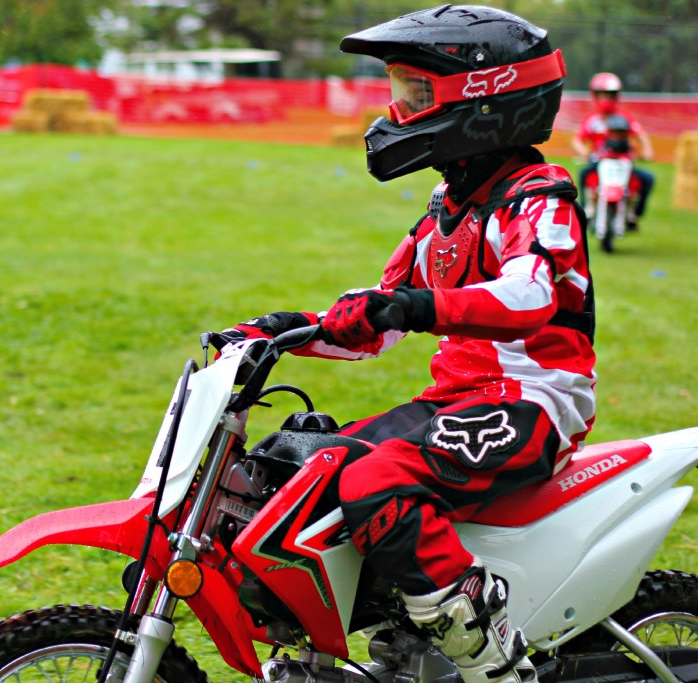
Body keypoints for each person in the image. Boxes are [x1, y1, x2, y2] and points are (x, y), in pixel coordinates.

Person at [216, 6, 595, 683]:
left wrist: (421, 305)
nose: (399, 109)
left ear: (487, 101)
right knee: (302, 470)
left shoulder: (539, 197)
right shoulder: (444, 210)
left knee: (374, 476)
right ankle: (376, 635)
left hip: (534, 402)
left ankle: (489, 652)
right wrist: (281, 331)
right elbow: (376, 324)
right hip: (454, 398)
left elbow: (529, 296)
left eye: (416, 93)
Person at [572, 72, 655, 229]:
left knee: (647, 179)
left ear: (616, 97)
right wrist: (584, 152)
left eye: (610, 96)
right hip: (600, 161)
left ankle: (634, 213)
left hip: (623, 162)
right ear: (595, 96)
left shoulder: (625, 118)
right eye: (602, 95)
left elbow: (641, 135)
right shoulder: (592, 120)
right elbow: (577, 140)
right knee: (584, 175)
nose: (606, 100)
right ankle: (587, 211)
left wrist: (647, 151)